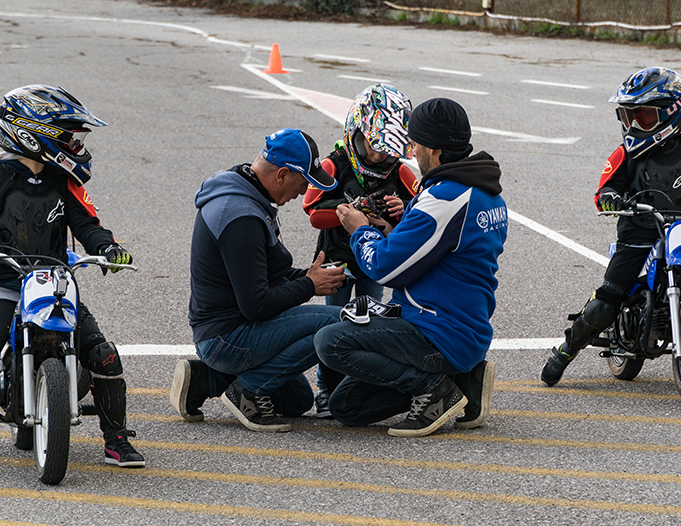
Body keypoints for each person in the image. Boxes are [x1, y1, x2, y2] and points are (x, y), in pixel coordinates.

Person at [0, 84, 142, 474]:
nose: (74, 144)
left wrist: (109, 248)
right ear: (31, 132)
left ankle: (117, 440)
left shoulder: (66, 182)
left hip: (54, 282)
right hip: (6, 284)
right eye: (67, 135)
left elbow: (88, 225)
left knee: (104, 354)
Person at [540, 67, 681, 386]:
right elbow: (605, 191)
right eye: (628, 116)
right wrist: (612, 198)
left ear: (672, 114)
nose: (633, 124)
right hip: (637, 236)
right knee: (606, 301)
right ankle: (565, 351)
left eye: (642, 116)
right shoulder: (625, 154)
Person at [314, 98, 507, 437]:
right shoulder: (486, 193)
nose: (411, 150)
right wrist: (392, 230)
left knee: (331, 341)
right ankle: (464, 381)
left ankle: (436, 390)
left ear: (432, 147)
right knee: (347, 406)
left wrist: (360, 229)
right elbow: (444, 253)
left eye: (414, 142)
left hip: (438, 332)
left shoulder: (446, 198)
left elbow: (384, 268)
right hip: (463, 327)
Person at [170, 128, 346, 433]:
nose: (303, 192)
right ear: (281, 175)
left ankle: (207, 378)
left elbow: (265, 276)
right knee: (336, 324)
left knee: (297, 402)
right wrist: (309, 285)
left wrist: (309, 275)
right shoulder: (241, 217)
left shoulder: (246, 191)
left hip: (228, 328)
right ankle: (248, 392)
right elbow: (257, 305)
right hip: (226, 337)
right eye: (303, 182)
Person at [302, 84, 418, 418]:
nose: (379, 156)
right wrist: (352, 207)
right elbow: (313, 211)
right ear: (356, 133)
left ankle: (355, 384)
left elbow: (423, 209)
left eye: (386, 149)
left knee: (367, 321)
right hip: (336, 262)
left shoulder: (401, 170)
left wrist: (402, 209)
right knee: (334, 321)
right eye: (373, 147)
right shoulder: (334, 163)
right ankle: (326, 389)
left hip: (374, 260)